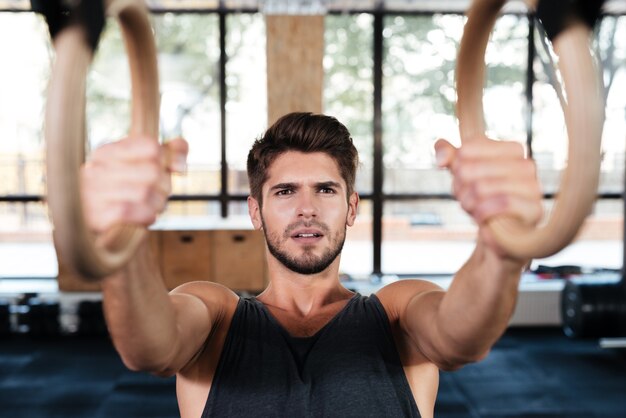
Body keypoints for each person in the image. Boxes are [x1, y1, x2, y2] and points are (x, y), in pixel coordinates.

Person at [81, 112, 542, 417]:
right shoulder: (213, 315)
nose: (307, 208)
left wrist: (499, 243)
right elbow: (148, 348)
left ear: (352, 207)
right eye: (285, 192)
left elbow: (461, 339)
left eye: (325, 190)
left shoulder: (399, 313)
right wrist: (125, 238)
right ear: (255, 211)